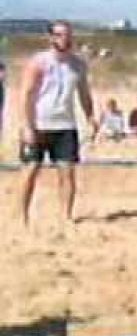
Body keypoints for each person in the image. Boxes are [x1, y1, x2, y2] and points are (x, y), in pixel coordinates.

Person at [17, 21, 95, 226]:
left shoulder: (77, 64)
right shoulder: (39, 62)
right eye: (60, 35)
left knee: (67, 172)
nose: (65, 39)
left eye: (68, 35)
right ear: (51, 37)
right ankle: (22, 216)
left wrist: (90, 117)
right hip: (39, 123)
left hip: (65, 124)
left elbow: (84, 94)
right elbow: (26, 94)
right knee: (31, 171)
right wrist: (27, 125)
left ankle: (65, 216)